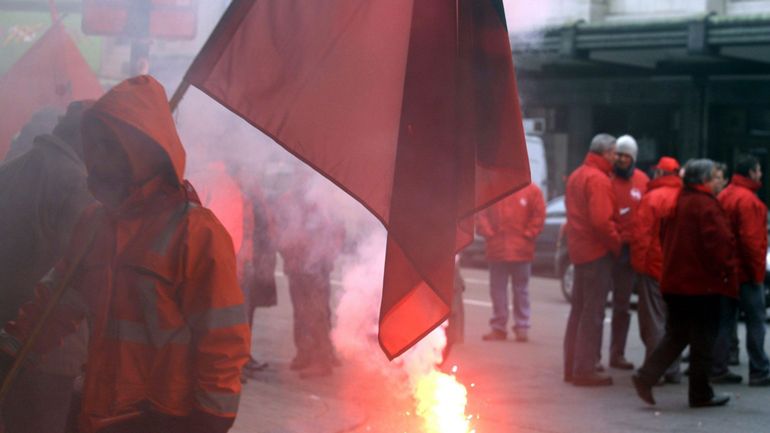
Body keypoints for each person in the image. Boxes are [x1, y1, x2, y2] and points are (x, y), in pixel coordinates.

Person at [0, 76, 250, 433]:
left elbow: (222, 339)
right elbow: (57, 300)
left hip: (162, 417)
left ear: (143, 151)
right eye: (96, 144)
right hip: (93, 408)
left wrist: (211, 417)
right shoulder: (95, 223)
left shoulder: (197, 234)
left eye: (110, 145)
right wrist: (14, 346)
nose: (98, 157)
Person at [0, 101, 95, 433]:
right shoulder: (80, 185)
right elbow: (85, 269)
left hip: (6, 334)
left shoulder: (9, 169)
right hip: (51, 347)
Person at [632, 159, 736, 408]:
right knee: (703, 340)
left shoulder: (679, 201)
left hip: (676, 281)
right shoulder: (706, 206)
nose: (718, 181)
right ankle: (700, 392)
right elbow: (721, 247)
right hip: (701, 285)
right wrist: (725, 273)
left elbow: (663, 235)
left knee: (677, 335)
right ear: (703, 180)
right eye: (714, 177)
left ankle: (646, 377)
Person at [563, 133, 621, 387]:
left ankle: (573, 366)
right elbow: (601, 221)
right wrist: (616, 244)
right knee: (591, 312)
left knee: (579, 311)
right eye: (615, 152)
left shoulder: (578, 175)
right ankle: (584, 369)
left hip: (580, 250)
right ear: (606, 153)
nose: (617, 157)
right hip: (596, 252)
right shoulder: (598, 179)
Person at [274, 172, 345, 379]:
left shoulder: (319, 200)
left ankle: (321, 359)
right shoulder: (291, 199)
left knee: (315, 313)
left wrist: (325, 255)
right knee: (304, 311)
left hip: (313, 265)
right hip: (301, 265)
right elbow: (282, 229)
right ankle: (306, 354)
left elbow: (335, 230)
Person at [710, 155, 770, 386]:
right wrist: (757, 275)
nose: (761, 175)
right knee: (756, 319)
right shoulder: (750, 202)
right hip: (745, 271)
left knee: (725, 320)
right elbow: (752, 242)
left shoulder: (724, 195)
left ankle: (718, 366)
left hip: (726, 269)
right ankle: (759, 369)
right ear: (752, 173)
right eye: (759, 171)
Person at [630, 156, 683, 384]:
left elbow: (641, 236)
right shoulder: (683, 198)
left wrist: (639, 267)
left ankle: (655, 370)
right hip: (677, 269)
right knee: (674, 320)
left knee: (654, 320)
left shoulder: (652, 198)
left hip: (653, 267)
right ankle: (672, 369)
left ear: (661, 174)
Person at [476, 182, 545, 342]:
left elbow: (538, 216)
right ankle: (514, 326)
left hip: (514, 249)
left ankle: (510, 326)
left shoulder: (528, 190)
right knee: (508, 289)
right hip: (505, 249)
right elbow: (481, 215)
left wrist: (527, 234)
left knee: (511, 289)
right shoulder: (495, 189)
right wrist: (490, 234)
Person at [608, 135, 649, 370]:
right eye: (619, 154)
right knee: (597, 308)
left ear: (633, 158)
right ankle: (592, 356)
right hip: (609, 247)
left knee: (622, 306)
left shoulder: (643, 181)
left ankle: (617, 354)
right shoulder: (607, 179)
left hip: (632, 251)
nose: (622, 159)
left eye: (627, 155)